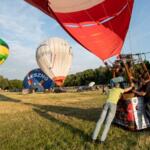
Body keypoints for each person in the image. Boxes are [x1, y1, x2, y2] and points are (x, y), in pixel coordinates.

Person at [92, 79, 134, 144]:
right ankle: (101, 140)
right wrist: (131, 86)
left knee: (100, 121)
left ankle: (93, 138)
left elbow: (104, 91)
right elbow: (126, 90)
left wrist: (100, 88)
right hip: (113, 105)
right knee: (107, 123)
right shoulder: (119, 90)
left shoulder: (110, 90)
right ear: (118, 86)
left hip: (106, 104)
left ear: (113, 85)